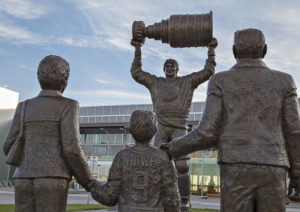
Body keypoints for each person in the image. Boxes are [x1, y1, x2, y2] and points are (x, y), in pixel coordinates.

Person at [161, 28, 300, 212]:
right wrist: (297, 173)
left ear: (234, 51)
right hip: (273, 166)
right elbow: (295, 132)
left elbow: (207, 132)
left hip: (235, 167)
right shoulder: (285, 81)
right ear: (264, 50)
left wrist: (172, 147)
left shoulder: (220, 80)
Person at [130, 38, 217, 211]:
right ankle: (153, 198)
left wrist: (211, 50)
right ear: (163, 69)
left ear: (177, 69)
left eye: (173, 65)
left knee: (182, 166)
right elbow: (136, 72)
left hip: (179, 127)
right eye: (167, 65)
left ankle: (184, 199)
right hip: (161, 127)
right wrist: (138, 48)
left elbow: (208, 71)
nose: (170, 68)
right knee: (154, 163)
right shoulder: (156, 82)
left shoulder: (187, 82)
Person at [3, 55, 96, 212]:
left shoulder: (24, 107)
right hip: (54, 179)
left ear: (39, 77)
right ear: (64, 80)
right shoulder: (69, 106)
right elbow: (71, 149)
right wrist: (89, 181)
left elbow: (8, 146)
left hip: (23, 178)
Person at [90, 110, 180, 212]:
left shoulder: (121, 156)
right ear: (155, 130)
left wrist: (92, 184)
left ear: (130, 130)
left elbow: (110, 196)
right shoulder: (163, 157)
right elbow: (172, 200)